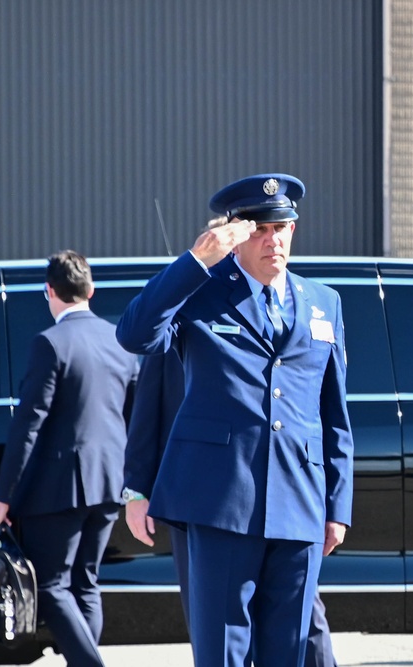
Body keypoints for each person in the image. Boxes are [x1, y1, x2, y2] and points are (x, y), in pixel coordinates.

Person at [116, 173, 354, 667]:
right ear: (237, 233)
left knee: (289, 651)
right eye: (260, 228)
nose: (273, 239)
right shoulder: (200, 294)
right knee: (224, 651)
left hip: (300, 503)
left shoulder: (323, 302)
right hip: (221, 501)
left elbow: (333, 411)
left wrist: (338, 504)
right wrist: (195, 263)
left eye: (282, 227)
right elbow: (135, 335)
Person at [123, 347, 340, 667]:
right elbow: (149, 402)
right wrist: (136, 490)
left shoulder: (294, 307)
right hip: (203, 499)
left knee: (304, 627)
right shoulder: (186, 303)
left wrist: (335, 505)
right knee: (217, 631)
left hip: (282, 494)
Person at [0, 250, 138, 666]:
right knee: (85, 583)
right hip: (110, 485)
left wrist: (3, 498)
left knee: (52, 586)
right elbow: (133, 416)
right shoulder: (121, 342)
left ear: (49, 291)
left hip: (59, 490)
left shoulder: (50, 343)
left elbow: (28, 427)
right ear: (91, 291)